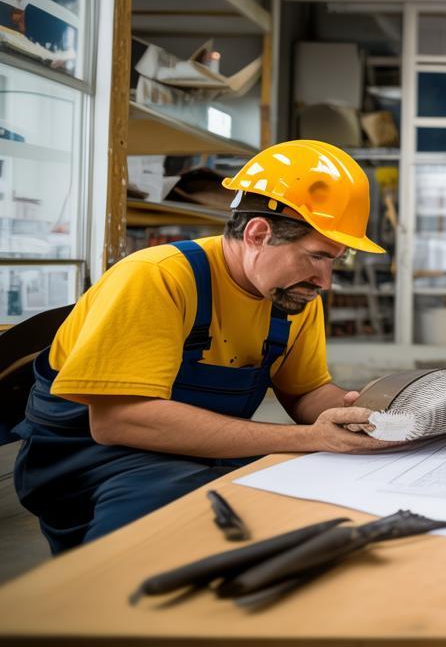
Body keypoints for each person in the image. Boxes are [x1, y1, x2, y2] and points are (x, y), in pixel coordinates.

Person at [12, 140, 402, 553]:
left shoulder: (290, 298)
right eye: (316, 257)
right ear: (257, 233)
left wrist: (366, 414)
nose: (324, 281)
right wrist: (312, 438)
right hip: (93, 460)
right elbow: (116, 421)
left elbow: (305, 392)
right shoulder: (156, 278)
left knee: (312, 508)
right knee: (171, 539)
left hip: (199, 452)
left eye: (334, 262)